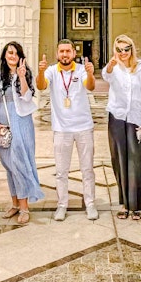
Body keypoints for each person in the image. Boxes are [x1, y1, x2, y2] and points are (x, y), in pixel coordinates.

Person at [36, 39, 99, 221]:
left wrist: (90, 74)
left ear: (73, 53)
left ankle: (90, 203)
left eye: (68, 51)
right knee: (61, 171)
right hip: (62, 129)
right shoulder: (51, 71)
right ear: (57, 53)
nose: (65, 54)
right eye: (61, 51)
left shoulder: (81, 69)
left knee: (87, 169)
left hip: (83, 127)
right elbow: (41, 86)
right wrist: (41, 71)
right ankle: (62, 205)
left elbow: (90, 86)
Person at [0, 41, 44, 225]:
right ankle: (15, 204)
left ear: (20, 57)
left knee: (20, 164)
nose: (12, 56)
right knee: (9, 165)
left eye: (16, 53)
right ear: (5, 55)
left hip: (21, 123)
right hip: (2, 125)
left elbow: (27, 97)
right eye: (9, 52)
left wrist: (22, 77)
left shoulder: (26, 73)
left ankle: (24, 207)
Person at [103, 34, 141, 220]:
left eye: (126, 49)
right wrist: (111, 64)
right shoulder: (114, 68)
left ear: (132, 49)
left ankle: (136, 206)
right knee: (119, 159)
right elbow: (106, 75)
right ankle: (125, 204)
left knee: (136, 160)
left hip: (136, 118)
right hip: (116, 117)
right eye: (119, 50)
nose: (123, 53)